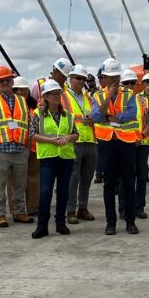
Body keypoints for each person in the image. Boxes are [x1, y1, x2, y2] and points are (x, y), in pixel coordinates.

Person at [91, 58, 139, 235]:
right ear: (105, 77)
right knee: (109, 184)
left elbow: (132, 113)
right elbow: (97, 116)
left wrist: (116, 117)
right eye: (111, 77)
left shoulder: (129, 93)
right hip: (107, 143)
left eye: (116, 76)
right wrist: (109, 96)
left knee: (128, 182)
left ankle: (130, 221)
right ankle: (110, 222)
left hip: (126, 142)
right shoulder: (97, 95)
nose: (115, 80)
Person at [0, 66, 32, 227]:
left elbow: (28, 124)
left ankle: (19, 212)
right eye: (1, 81)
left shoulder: (21, 101)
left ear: (12, 81)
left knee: (20, 184)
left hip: (19, 149)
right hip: (0, 150)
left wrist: (27, 147)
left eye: (8, 80)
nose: (5, 83)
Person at [30, 79, 78, 239]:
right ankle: (42, 226)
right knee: (45, 193)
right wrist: (51, 141)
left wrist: (68, 137)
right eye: (53, 94)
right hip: (48, 157)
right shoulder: (38, 114)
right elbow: (32, 135)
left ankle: (60, 224)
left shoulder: (68, 115)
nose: (57, 96)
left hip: (66, 157)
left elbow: (76, 134)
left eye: (58, 93)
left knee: (63, 192)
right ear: (45, 97)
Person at [64, 65, 97, 224]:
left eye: (83, 79)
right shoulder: (63, 97)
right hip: (73, 143)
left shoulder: (88, 98)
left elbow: (97, 117)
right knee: (73, 178)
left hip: (90, 141)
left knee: (86, 178)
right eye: (78, 78)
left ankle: (82, 208)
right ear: (70, 78)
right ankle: (70, 210)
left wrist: (94, 121)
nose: (81, 81)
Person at [118, 69, 149, 220]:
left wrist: (142, 136)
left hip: (142, 143)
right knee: (126, 176)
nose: (130, 85)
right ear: (121, 84)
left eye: (132, 83)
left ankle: (139, 207)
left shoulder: (142, 101)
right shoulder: (118, 102)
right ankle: (124, 208)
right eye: (126, 83)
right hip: (125, 143)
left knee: (142, 176)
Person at [7, 77, 40, 216]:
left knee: (33, 179)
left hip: (33, 148)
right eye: (19, 89)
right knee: (15, 180)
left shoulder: (34, 107)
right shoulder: (10, 106)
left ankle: (32, 208)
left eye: (25, 89)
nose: (23, 91)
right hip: (16, 148)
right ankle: (16, 210)